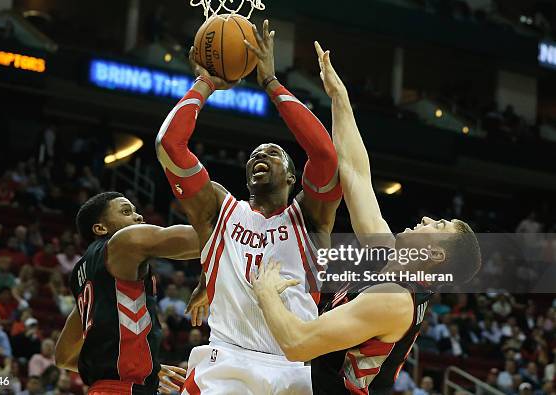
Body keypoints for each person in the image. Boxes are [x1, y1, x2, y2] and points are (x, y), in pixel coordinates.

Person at [251, 42, 481, 395]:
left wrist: (264, 292)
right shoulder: (391, 257)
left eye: (437, 226)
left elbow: (297, 344)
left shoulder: (392, 300)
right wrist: (339, 97)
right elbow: (356, 173)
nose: (425, 218)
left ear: (436, 256)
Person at [157, 20, 341, 394]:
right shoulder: (219, 211)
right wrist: (205, 84)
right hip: (225, 363)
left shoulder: (310, 218)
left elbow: (324, 153)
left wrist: (272, 84)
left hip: (293, 368)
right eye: (255, 155)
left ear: (293, 178)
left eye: (273, 154)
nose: (262, 156)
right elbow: (169, 145)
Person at [54, 192, 196, 394]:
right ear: (101, 228)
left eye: (136, 211)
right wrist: (243, 223)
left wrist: (142, 365)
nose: (138, 217)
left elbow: (64, 356)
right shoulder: (124, 242)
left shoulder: (82, 273)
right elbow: (199, 241)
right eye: (126, 211)